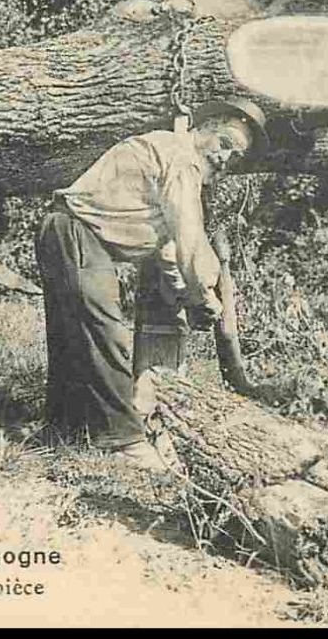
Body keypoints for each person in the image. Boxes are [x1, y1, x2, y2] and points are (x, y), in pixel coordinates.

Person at [37, 98, 268, 469]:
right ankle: (125, 440)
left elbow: (167, 246)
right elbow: (189, 238)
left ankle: (62, 430)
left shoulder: (173, 158)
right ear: (205, 128)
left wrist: (190, 294)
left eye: (235, 157)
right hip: (76, 231)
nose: (226, 158)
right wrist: (203, 293)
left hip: (69, 233)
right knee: (106, 332)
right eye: (225, 143)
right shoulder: (182, 159)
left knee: (72, 336)